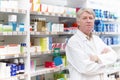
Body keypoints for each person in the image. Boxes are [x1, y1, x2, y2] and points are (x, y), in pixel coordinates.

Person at [65, 8, 117, 80]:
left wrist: (97, 58)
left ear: (94, 21)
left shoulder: (97, 39)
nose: (88, 21)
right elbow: (86, 68)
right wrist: (106, 63)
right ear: (78, 22)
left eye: (91, 18)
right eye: (84, 18)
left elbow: (114, 56)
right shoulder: (73, 42)